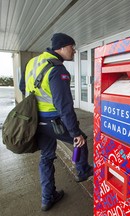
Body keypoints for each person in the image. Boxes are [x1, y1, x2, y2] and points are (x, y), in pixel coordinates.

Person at [21, 33, 93, 211]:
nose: (74, 50)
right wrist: (75, 133)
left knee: (46, 157)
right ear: (61, 48)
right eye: (72, 46)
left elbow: (23, 87)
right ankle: (83, 171)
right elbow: (65, 106)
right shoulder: (57, 69)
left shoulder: (33, 62)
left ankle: (48, 197)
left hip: (37, 121)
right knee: (81, 142)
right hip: (53, 121)